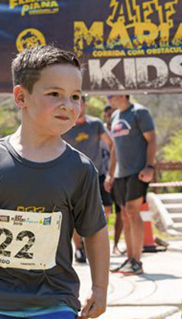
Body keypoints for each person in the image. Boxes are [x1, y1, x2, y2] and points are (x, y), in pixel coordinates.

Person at [0, 45, 109, 318]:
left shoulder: (81, 169)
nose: (68, 105)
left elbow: (94, 231)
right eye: (54, 94)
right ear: (21, 96)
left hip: (55, 302)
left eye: (75, 96)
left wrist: (100, 287)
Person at [62, 96, 117, 263]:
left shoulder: (96, 124)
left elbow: (112, 144)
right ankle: (79, 248)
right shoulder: (63, 126)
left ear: (84, 105)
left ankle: (94, 238)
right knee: (74, 214)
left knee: (106, 209)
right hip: (73, 175)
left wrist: (111, 172)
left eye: (79, 102)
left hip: (98, 173)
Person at [108, 94, 157, 275]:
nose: (107, 98)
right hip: (120, 174)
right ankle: (129, 259)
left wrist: (150, 166)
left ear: (122, 94)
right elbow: (114, 147)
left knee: (132, 210)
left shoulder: (139, 112)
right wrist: (110, 174)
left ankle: (137, 260)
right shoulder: (114, 116)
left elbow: (151, 139)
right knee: (125, 215)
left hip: (138, 171)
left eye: (110, 95)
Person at [102, 103, 125, 255]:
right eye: (108, 114)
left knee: (121, 212)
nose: (110, 117)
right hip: (102, 176)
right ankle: (100, 245)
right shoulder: (99, 130)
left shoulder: (122, 130)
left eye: (112, 114)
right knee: (104, 211)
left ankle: (115, 245)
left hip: (120, 175)